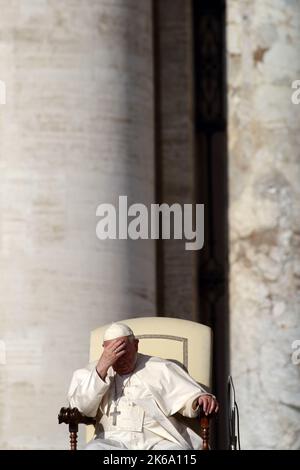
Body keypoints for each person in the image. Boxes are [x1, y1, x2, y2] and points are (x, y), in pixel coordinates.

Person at [67, 322, 219, 450]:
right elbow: (81, 408)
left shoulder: (159, 367)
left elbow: (188, 396)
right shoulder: (92, 372)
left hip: (157, 440)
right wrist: (102, 367)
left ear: (136, 345)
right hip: (112, 441)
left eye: (124, 352)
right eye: (114, 353)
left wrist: (199, 398)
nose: (120, 360)